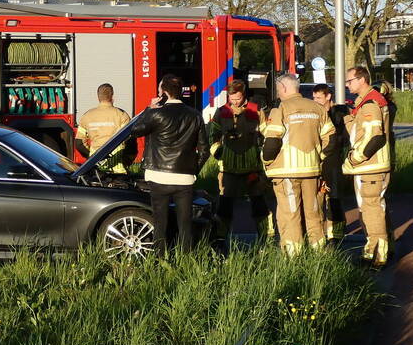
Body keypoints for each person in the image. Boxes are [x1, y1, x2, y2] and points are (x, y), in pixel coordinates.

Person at [131, 74, 210, 252]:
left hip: (158, 175)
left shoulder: (156, 114)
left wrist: (149, 109)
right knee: (185, 224)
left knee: (160, 223)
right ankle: (186, 260)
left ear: (164, 92)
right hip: (185, 178)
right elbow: (205, 150)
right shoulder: (195, 116)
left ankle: (160, 258)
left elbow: (135, 130)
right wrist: (193, 169)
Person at [261, 74, 335, 255]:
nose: (278, 94)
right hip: (312, 170)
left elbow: (272, 142)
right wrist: (319, 157)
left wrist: (266, 162)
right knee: (313, 212)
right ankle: (319, 253)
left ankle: (294, 256)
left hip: (286, 172)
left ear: (284, 89)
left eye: (278, 90)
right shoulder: (317, 108)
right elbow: (331, 139)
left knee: (290, 213)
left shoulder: (281, 109)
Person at [209, 79, 269, 249]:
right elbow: (212, 136)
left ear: (244, 95)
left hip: (253, 168)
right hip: (229, 168)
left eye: (238, 98)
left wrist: (263, 156)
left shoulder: (256, 111)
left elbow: (266, 134)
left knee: (259, 205)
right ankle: (220, 239)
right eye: (232, 98)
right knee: (225, 206)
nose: (235, 101)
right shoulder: (222, 112)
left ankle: (265, 238)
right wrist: (218, 152)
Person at [344, 67, 394, 268]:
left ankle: (377, 254)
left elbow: (375, 136)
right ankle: (378, 249)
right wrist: (347, 118)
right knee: (372, 208)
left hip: (371, 166)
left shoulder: (371, 103)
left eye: (350, 81)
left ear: (362, 79)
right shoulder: (366, 102)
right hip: (370, 166)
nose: (347, 85)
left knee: (371, 209)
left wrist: (355, 158)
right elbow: (359, 132)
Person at [312, 83, 348, 242]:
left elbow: (344, 137)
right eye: (313, 98)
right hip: (317, 159)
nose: (315, 101)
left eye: (318, 98)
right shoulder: (314, 112)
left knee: (334, 197)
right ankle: (318, 233)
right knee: (317, 197)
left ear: (328, 97)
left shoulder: (340, 113)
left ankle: (337, 234)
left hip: (334, 159)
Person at [76, 83, 131, 173]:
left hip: (96, 170)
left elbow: (79, 143)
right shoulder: (121, 114)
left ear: (98, 97)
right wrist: (127, 161)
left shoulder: (87, 115)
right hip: (118, 171)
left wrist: (92, 158)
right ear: (112, 96)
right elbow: (130, 141)